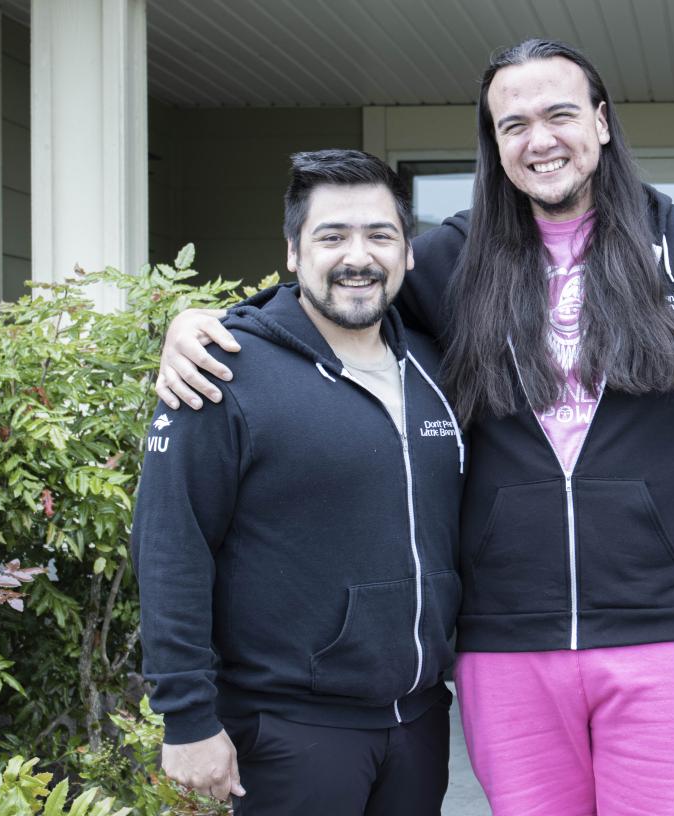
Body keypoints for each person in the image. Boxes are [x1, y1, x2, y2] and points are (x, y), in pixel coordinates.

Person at [154, 39, 674, 816]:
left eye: (559, 114)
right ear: (494, 143)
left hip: (668, 636)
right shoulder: (448, 260)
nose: (540, 139)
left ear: (600, 120)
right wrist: (209, 323)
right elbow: (340, 293)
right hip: (505, 645)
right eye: (512, 123)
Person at [131, 150, 465, 815]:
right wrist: (187, 717)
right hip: (289, 728)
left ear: (408, 252)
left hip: (420, 722)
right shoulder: (222, 370)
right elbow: (172, 544)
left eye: (379, 235)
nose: (357, 257)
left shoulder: (438, 366)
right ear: (292, 252)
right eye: (331, 236)